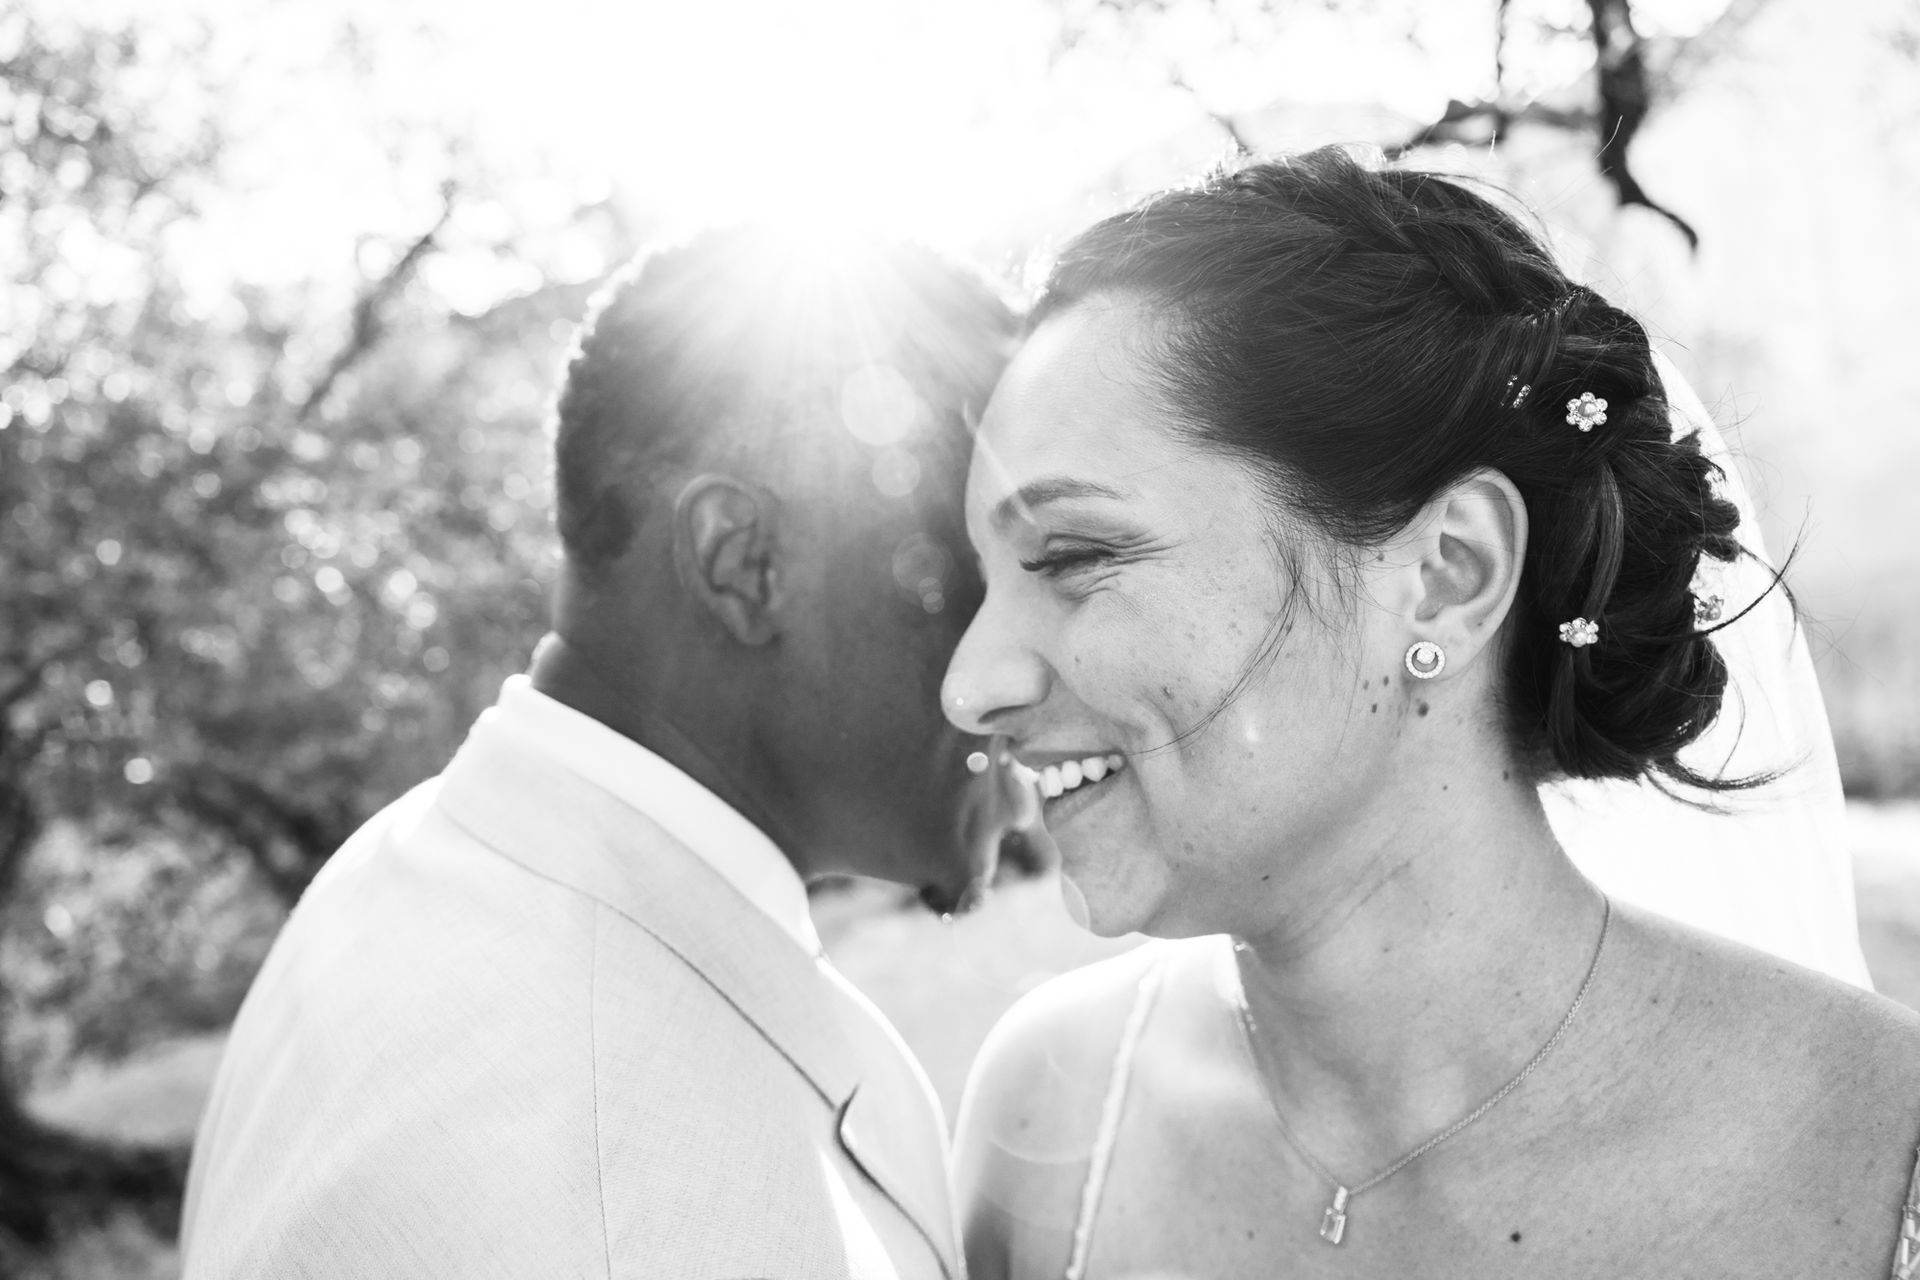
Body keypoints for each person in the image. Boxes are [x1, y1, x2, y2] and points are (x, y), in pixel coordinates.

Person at [941, 148, 1920, 1279]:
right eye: (980, 577)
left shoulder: (1881, 1160)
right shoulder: (1050, 1114)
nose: (970, 684)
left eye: (1070, 553)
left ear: (1447, 574)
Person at [181, 228, 1019, 1279]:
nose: (1031, 656)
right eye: (982, 567)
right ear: (746, 563)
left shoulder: (398, 867)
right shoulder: (631, 1208)